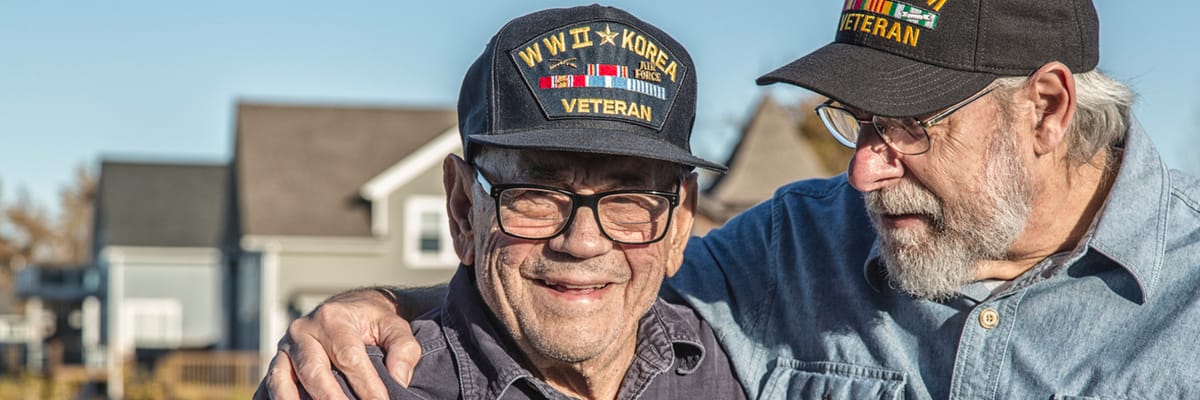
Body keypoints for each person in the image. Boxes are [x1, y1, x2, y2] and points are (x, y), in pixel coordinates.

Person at [266, 0, 1200, 398]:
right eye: (854, 121)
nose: (863, 172)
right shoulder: (789, 247)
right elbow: (593, 286)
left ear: (1046, 107)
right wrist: (385, 307)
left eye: (911, 127)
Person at [253, 4, 746, 400]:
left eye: (629, 199)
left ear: (681, 221)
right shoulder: (346, 386)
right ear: (464, 208)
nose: (584, 242)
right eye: (537, 195)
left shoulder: (737, 360)